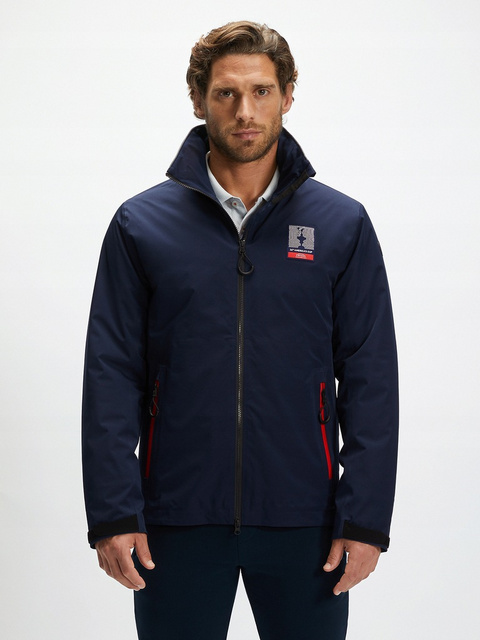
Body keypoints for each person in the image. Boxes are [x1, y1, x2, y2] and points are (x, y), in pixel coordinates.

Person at [82, 20, 399, 640]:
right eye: (226, 93)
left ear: (288, 95)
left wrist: (365, 519)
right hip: (175, 519)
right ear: (198, 100)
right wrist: (114, 512)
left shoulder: (341, 225)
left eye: (261, 91)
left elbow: (371, 376)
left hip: (307, 522)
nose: (245, 111)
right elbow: (110, 372)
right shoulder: (141, 225)